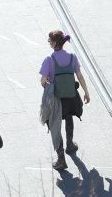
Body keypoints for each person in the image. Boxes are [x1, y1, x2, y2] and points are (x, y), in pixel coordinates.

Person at [39, 29, 90, 170]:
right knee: (69, 118)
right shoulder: (73, 57)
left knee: (55, 125)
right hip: (71, 96)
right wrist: (86, 92)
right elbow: (79, 76)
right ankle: (70, 145)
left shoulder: (49, 60)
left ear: (54, 43)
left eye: (49, 41)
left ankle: (61, 159)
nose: (49, 43)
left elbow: (43, 81)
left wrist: (47, 86)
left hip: (57, 98)